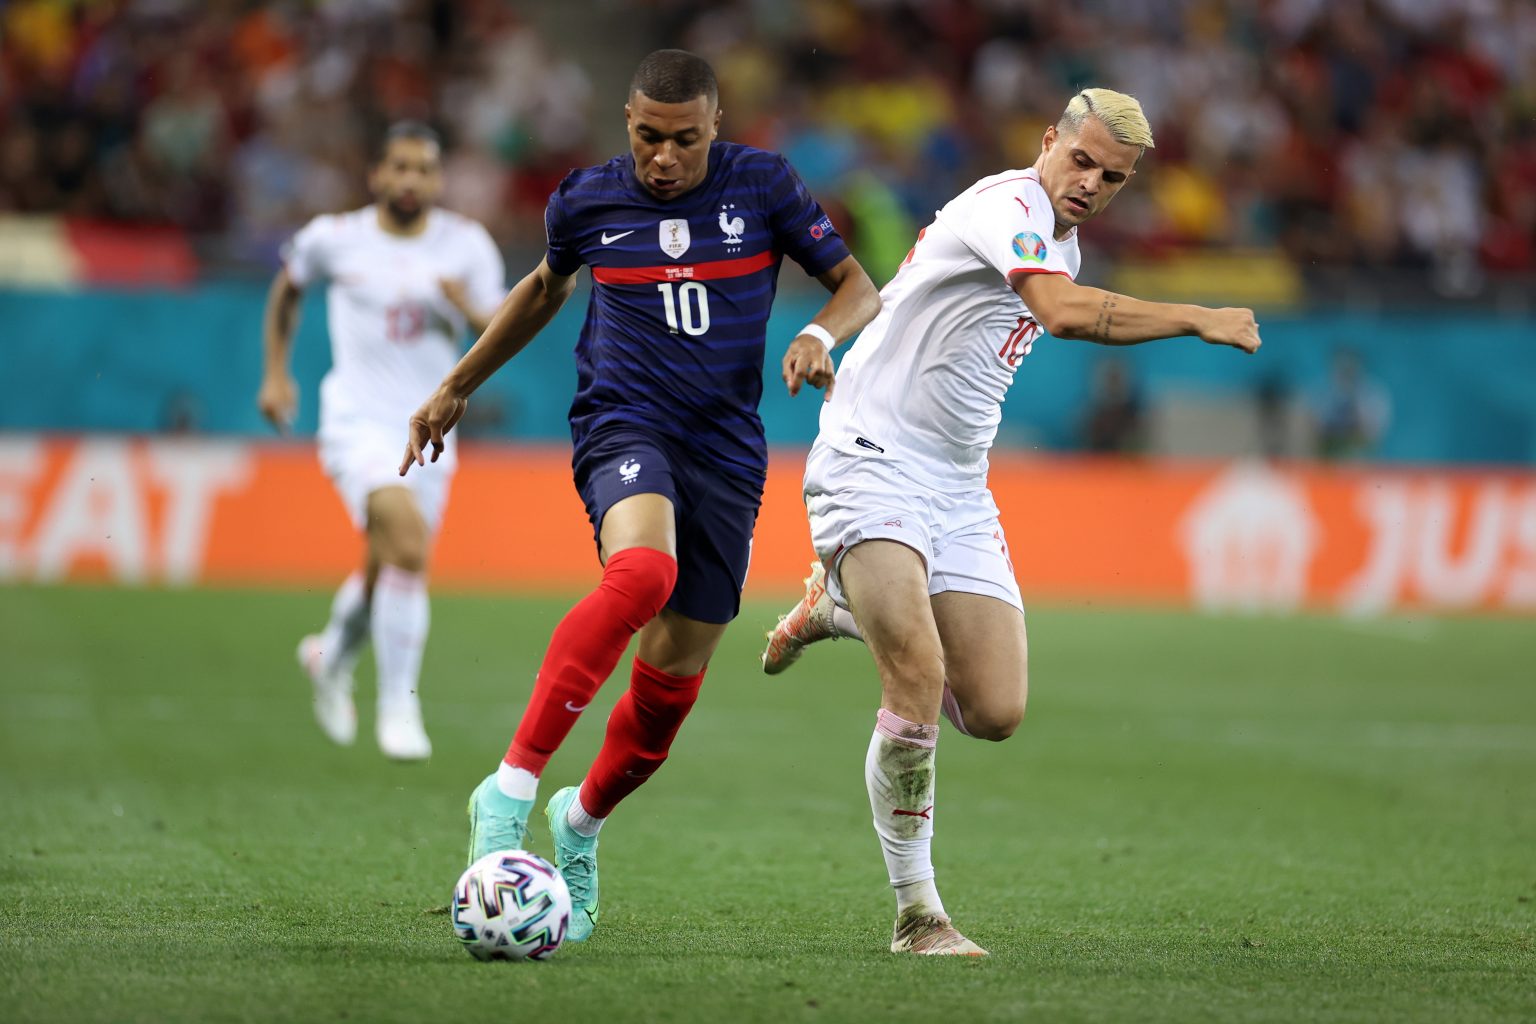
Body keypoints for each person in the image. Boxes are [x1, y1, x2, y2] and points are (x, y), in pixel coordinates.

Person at [761, 89, 1262, 956]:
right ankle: (918, 915)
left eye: (1112, 177)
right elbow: (1063, 315)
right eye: (1082, 160)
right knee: (916, 677)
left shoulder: (1062, 239)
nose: (1091, 183)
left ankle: (839, 608)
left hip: (958, 488)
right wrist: (1197, 317)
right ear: (1048, 141)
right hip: (870, 456)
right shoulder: (1010, 206)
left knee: (994, 711)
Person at [400, 50, 880, 943]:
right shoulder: (586, 201)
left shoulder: (763, 187)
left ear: (715, 127)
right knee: (641, 574)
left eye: (685, 140)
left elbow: (859, 286)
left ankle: (579, 824)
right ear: (628, 122)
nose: (664, 157)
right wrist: (456, 384)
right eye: (649, 137)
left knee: (669, 694)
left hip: (727, 450)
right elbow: (544, 289)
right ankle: (508, 790)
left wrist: (819, 334)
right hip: (624, 423)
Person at [258, 121, 505, 761]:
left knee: (390, 558)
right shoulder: (335, 237)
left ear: (439, 180)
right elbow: (288, 288)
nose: (409, 179)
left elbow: (504, 324)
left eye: (423, 168)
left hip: (432, 428)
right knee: (406, 542)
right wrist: (277, 372)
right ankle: (399, 706)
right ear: (376, 175)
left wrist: (466, 308)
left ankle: (330, 654)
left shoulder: (467, 245)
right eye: (399, 166)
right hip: (358, 422)